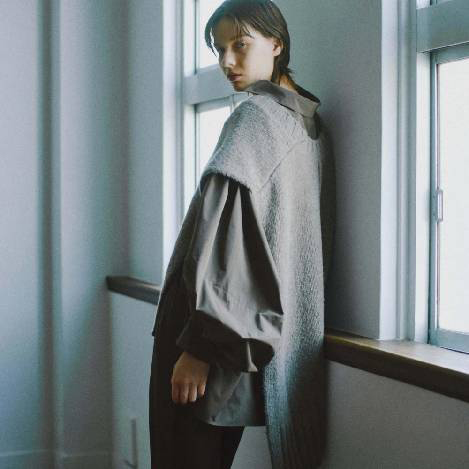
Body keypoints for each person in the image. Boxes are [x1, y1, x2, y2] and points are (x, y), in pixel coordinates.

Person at [149, 1, 336, 468]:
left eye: (240, 45)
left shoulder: (255, 118)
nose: (227, 62)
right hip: (243, 335)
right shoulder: (309, 126)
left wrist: (197, 348)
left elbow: (223, 237)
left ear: (277, 44)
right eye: (219, 50)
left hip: (207, 334)